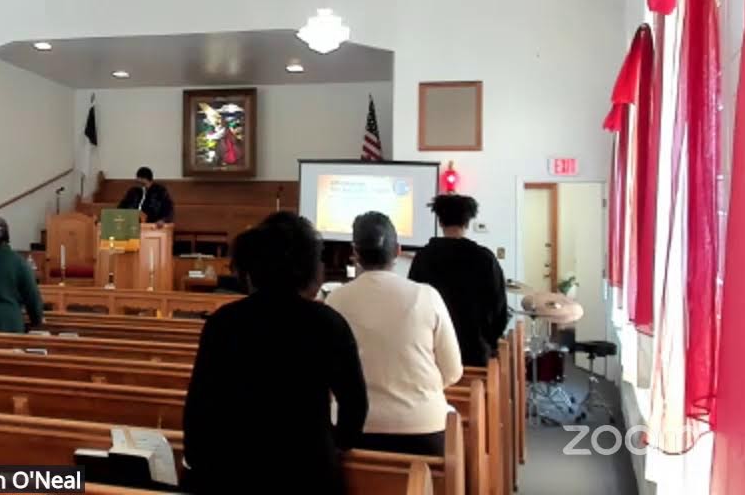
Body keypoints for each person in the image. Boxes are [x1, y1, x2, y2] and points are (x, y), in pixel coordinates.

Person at [183, 212, 367, 494]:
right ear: (307, 267)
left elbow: (200, 406)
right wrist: (337, 445)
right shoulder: (328, 323)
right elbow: (355, 405)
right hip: (309, 469)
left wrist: (200, 463)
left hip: (233, 470)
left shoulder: (224, 322)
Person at [327, 212, 463, 456]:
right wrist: (416, 389)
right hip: (423, 429)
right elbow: (453, 371)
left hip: (353, 432)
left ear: (355, 252)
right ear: (398, 251)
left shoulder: (335, 299)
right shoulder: (426, 295)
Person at [408, 194, 509, 367]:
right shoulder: (485, 259)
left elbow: (413, 304)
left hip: (431, 353)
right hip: (474, 352)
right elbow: (499, 308)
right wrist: (489, 343)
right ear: (467, 223)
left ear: (440, 222)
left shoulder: (423, 257)